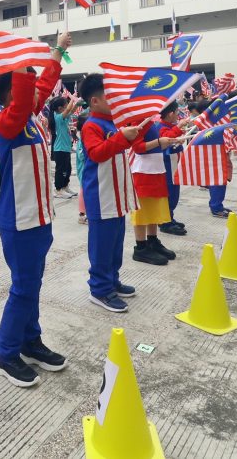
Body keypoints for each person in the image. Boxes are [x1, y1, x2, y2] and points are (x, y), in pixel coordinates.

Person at [0, 32, 71, 388]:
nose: (38, 88)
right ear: (12, 92)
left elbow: (46, 85)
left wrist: (58, 50)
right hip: (18, 221)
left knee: (32, 285)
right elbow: (25, 101)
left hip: (39, 217)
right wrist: (19, 57)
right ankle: (5, 354)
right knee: (23, 287)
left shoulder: (31, 119)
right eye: (28, 82)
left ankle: (29, 341)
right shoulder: (8, 121)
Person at [77, 74, 141, 313]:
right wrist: (121, 138)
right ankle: (100, 289)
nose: (114, 101)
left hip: (116, 195)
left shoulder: (113, 123)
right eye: (109, 97)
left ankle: (112, 280)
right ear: (94, 101)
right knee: (102, 246)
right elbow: (97, 154)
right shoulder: (91, 125)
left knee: (115, 243)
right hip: (101, 196)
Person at [130, 104, 185, 265]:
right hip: (143, 172)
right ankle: (140, 247)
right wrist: (160, 141)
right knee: (142, 211)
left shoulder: (149, 121)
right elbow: (138, 148)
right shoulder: (139, 121)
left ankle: (152, 240)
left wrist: (164, 142)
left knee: (154, 208)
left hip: (156, 169)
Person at [157, 103, 187, 235]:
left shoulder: (168, 126)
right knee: (169, 192)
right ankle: (165, 222)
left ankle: (169, 217)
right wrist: (179, 127)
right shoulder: (161, 127)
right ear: (170, 114)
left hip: (174, 164)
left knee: (174, 191)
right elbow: (167, 139)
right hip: (167, 165)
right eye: (176, 112)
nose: (178, 115)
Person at [49, 97, 76, 199]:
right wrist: (73, 99)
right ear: (60, 108)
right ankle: (58, 189)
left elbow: (71, 110)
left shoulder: (63, 116)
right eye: (65, 105)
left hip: (65, 148)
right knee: (61, 170)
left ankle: (65, 186)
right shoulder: (58, 117)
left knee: (68, 169)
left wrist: (77, 103)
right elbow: (69, 109)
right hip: (60, 149)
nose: (67, 107)